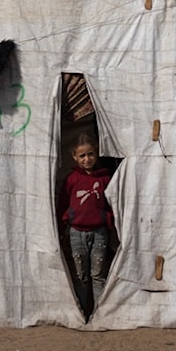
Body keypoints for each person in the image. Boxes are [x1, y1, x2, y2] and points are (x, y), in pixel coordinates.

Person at [58, 132, 115, 316]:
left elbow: (112, 202)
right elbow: (63, 203)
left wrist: (109, 221)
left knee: (98, 274)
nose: (87, 159)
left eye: (90, 154)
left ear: (97, 154)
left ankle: (99, 314)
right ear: (74, 156)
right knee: (80, 276)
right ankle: (82, 313)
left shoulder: (104, 178)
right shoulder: (72, 179)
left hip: (99, 232)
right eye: (82, 155)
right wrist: (63, 224)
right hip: (76, 233)